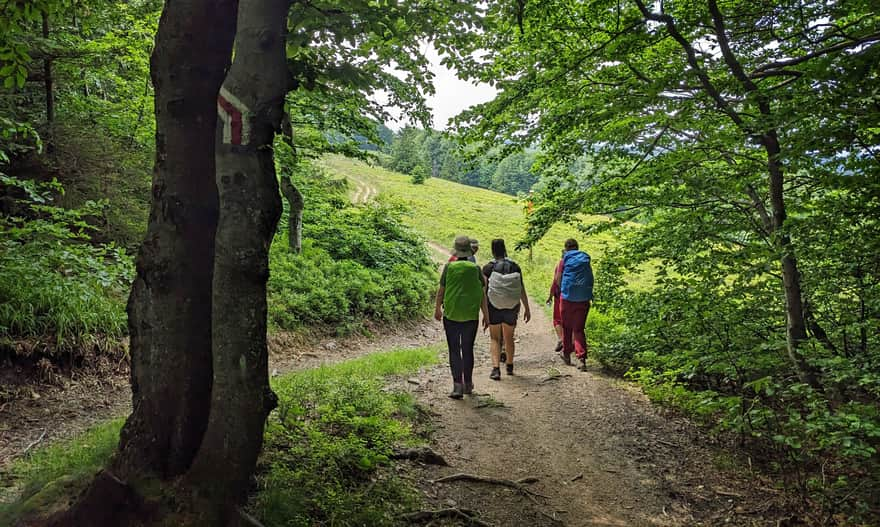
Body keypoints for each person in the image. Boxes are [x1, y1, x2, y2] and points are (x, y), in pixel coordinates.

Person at [435, 235, 490, 398]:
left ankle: (457, 386)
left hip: (451, 315)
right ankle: (468, 384)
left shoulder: (448, 267)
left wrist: (437, 308)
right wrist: (486, 315)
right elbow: (482, 294)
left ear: (456, 251)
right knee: (467, 349)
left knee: (454, 349)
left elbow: (441, 292)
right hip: (471, 316)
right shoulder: (476, 269)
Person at [483, 239, 530, 380]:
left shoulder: (487, 268)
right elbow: (521, 288)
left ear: (492, 250)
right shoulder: (515, 266)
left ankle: (496, 369)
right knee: (509, 337)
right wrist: (527, 307)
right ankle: (509, 366)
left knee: (495, 338)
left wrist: (485, 313)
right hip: (512, 306)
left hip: (494, 306)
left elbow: (483, 291)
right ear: (504, 249)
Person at [553, 238, 593, 371]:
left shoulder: (564, 260)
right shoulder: (585, 259)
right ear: (577, 247)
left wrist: (563, 291)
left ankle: (567, 355)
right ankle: (581, 359)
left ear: (566, 248)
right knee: (579, 329)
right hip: (583, 299)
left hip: (567, 299)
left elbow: (557, 279)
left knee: (567, 327)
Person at [545, 250, 565, 352]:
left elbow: (555, 281)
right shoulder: (575, 265)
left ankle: (561, 339)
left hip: (560, 295)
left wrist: (550, 296)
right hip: (574, 296)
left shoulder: (560, 264)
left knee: (557, 319)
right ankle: (572, 343)